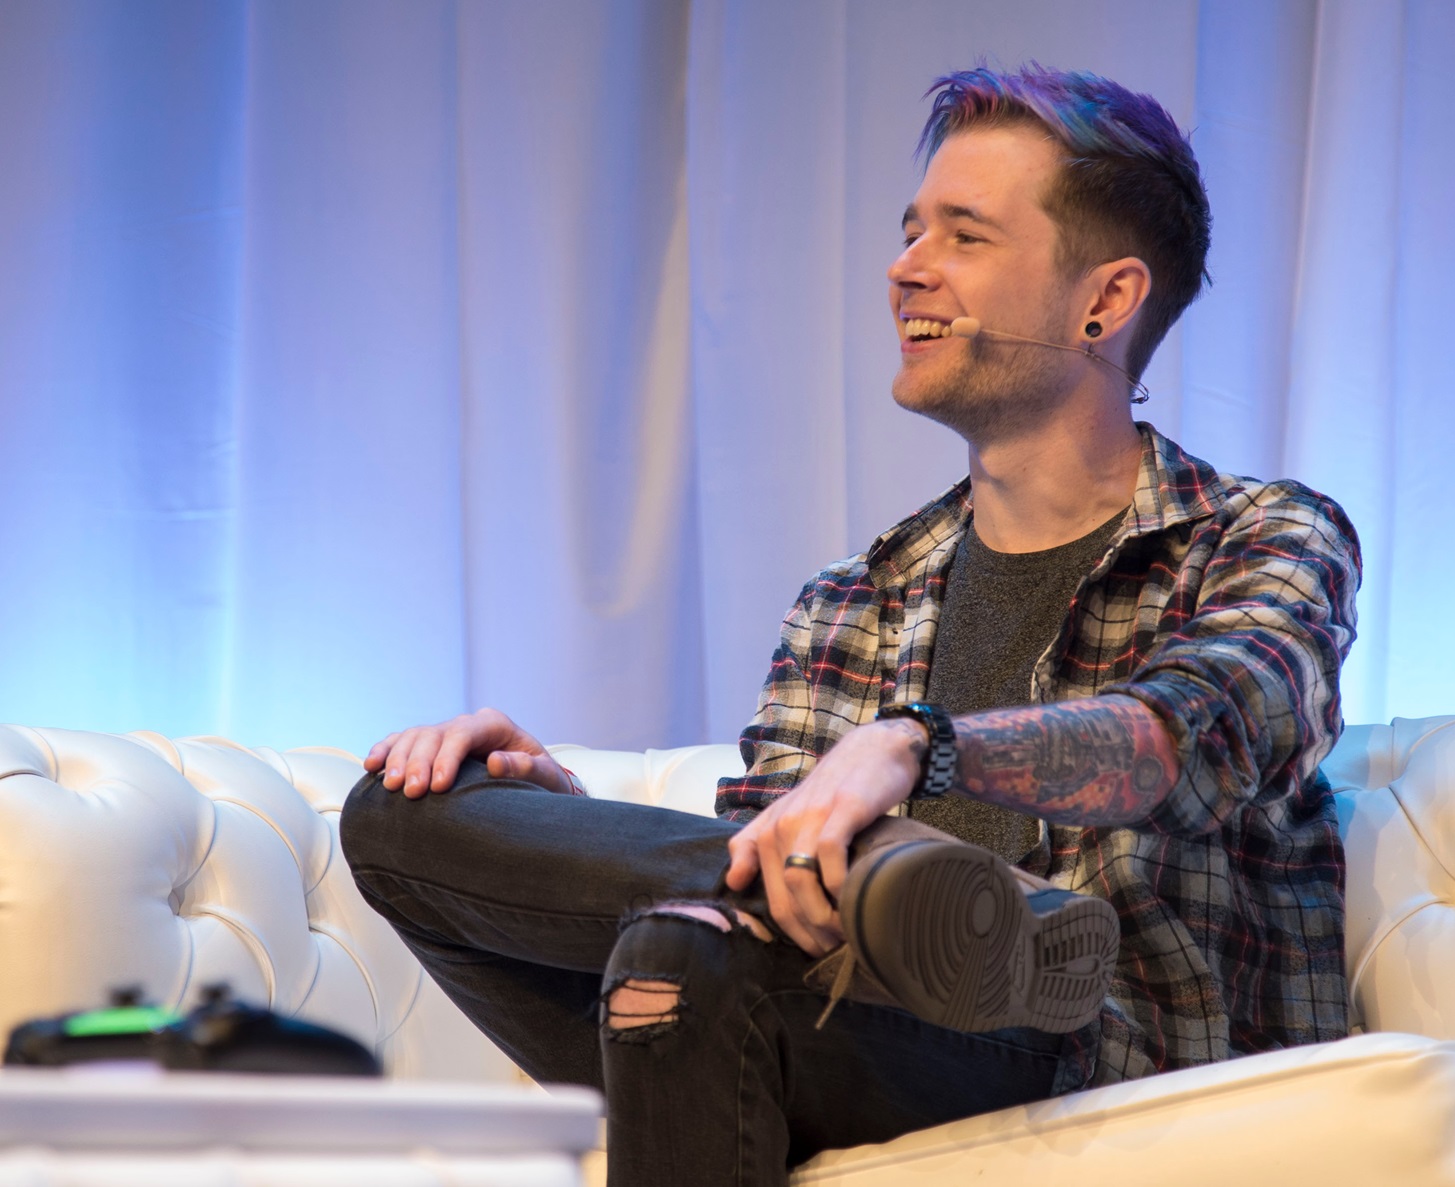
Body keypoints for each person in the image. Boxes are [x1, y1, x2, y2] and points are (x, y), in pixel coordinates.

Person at [339, 63, 1361, 1186]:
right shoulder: (855, 596)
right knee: (403, 815)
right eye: (911, 230)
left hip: (1103, 1060)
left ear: (1104, 303)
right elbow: (756, 882)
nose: (905, 266)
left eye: (964, 235)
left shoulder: (1259, 535)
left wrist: (918, 746)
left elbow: (1191, 738)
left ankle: (986, 921)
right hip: (845, 1020)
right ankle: (904, 889)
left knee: (690, 954)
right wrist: (556, 831)